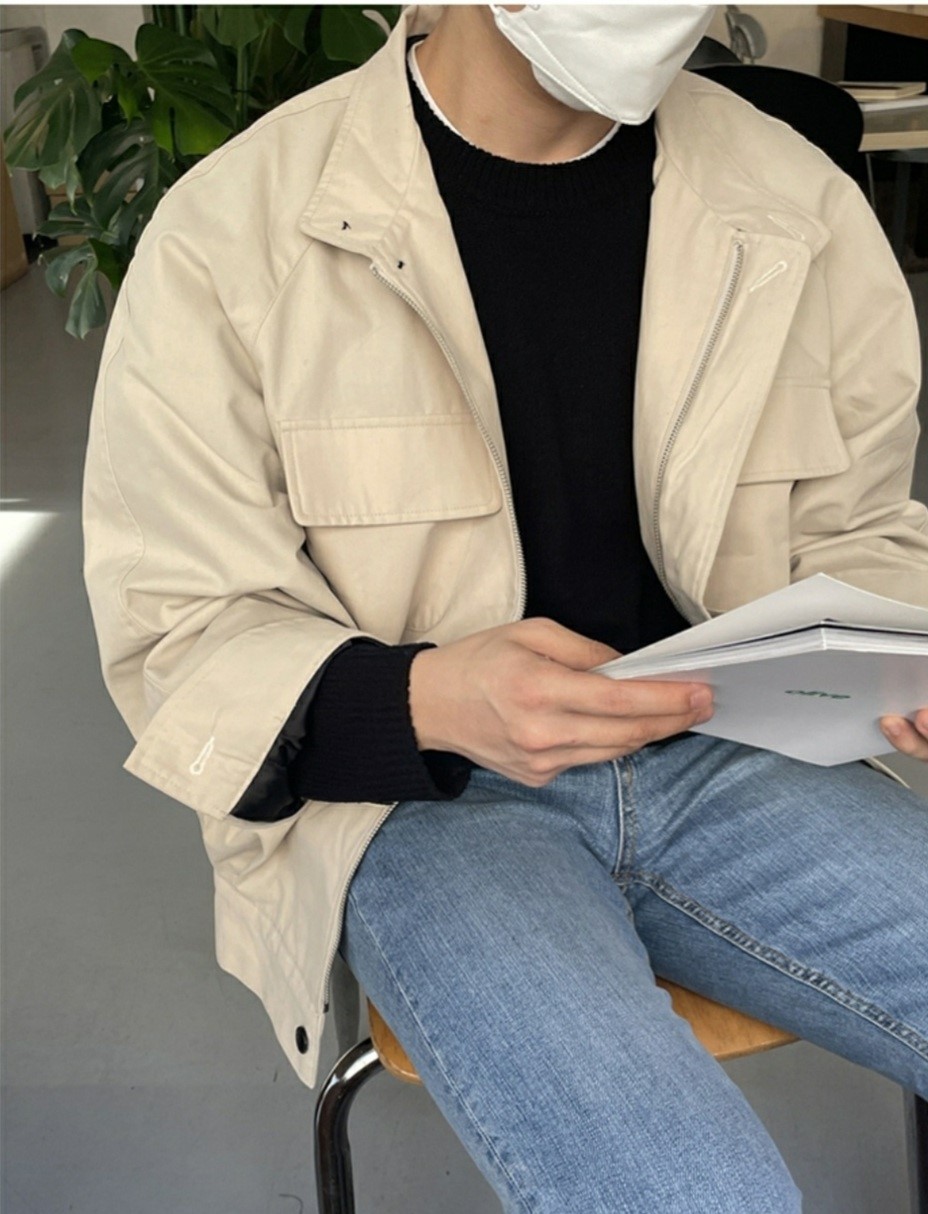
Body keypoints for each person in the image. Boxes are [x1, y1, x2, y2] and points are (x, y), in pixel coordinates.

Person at [83, 4, 928, 1210]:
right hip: (427, 807)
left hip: (740, 749)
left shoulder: (792, 201)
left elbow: (861, 527)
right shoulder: (234, 232)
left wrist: (900, 647)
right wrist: (427, 696)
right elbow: (181, 627)